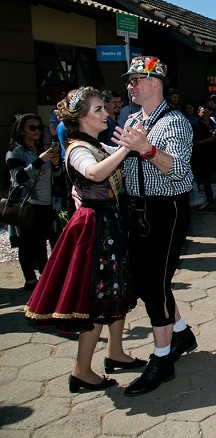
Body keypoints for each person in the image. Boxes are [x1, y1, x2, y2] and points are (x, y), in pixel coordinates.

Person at [24, 87, 142, 393]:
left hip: (109, 224)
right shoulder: (77, 147)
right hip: (95, 228)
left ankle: (114, 352)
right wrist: (126, 149)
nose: (106, 113)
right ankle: (81, 370)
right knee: (97, 298)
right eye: (98, 110)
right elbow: (93, 173)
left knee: (115, 291)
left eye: (104, 108)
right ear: (81, 119)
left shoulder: (93, 142)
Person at [113, 56, 196, 397]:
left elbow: (177, 170)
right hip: (139, 208)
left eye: (135, 80)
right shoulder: (134, 117)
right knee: (151, 279)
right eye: (129, 80)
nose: (129, 86)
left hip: (166, 209)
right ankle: (181, 333)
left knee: (154, 285)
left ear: (154, 82)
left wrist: (145, 148)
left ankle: (162, 360)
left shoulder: (175, 123)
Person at [6, 114, 61, 290]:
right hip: (27, 203)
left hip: (45, 203)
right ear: (21, 130)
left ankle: (45, 276)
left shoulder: (40, 151)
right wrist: (40, 161)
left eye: (39, 127)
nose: (37, 131)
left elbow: (55, 177)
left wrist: (56, 164)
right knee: (27, 242)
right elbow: (19, 177)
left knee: (41, 241)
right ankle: (30, 279)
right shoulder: (15, 152)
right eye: (32, 127)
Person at [192, 105, 216, 207]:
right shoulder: (196, 126)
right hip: (204, 155)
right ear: (198, 113)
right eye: (203, 112)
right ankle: (210, 199)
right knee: (207, 177)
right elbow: (194, 142)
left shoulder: (214, 122)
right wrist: (208, 140)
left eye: (207, 112)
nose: (206, 114)